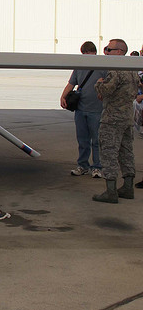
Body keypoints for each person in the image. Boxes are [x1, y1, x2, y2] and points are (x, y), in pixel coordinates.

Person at [92, 38, 139, 203]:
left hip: (112, 119)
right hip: (127, 118)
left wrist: (98, 84)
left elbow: (106, 90)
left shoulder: (116, 70)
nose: (106, 52)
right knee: (126, 152)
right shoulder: (132, 69)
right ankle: (128, 187)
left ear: (119, 51)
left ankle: (111, 191)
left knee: (109, 153)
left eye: (108, 49)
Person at [59, 41, 106, 178]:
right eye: (84, 54)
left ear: (94, 53)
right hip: (81, 109)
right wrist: (63, 96)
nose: (86, 57)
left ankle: (97, 167)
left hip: (96, 110)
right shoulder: (79, 67)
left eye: (89, 54)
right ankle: (83, 165)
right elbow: (71, 83)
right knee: (83, 140)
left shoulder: (102, 67)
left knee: (96, 140)